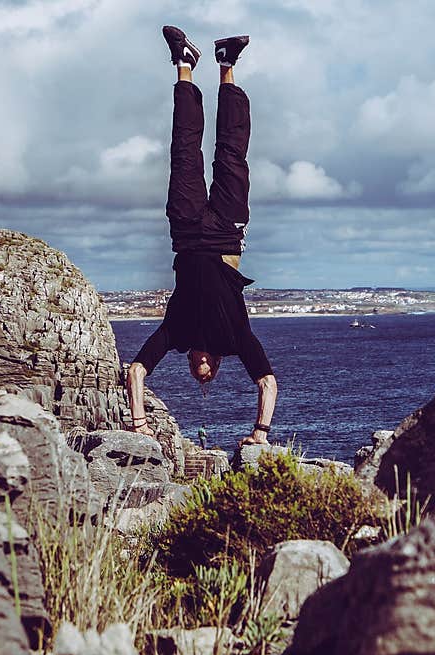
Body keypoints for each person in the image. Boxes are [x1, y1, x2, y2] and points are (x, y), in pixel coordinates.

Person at [125, 25, 277, 448]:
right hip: (228, 233)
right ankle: (226, 63)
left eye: (198, 370)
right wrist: (260, 434)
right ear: (218, 364)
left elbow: (135, 371)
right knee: (232, 152)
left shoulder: (176, 331)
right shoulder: (236, 338)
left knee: (183, 149)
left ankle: (184, 64)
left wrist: (138, 424)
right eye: (208, 369)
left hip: (188, 231)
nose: (204, 367)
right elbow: (267, 382)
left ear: (192, 362)